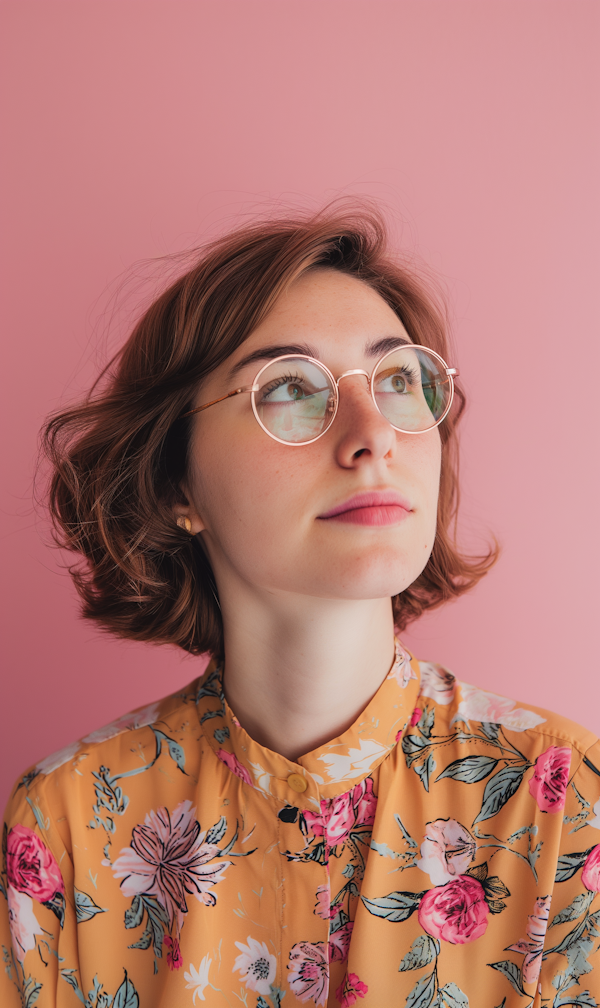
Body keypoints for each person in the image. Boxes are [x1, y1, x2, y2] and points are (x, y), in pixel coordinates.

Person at [2, 206, 599, 1008]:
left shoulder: (564, 803)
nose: (372, 436)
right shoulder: (66, 822)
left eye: (398, 381)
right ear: (178, 483)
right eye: (290, 388)